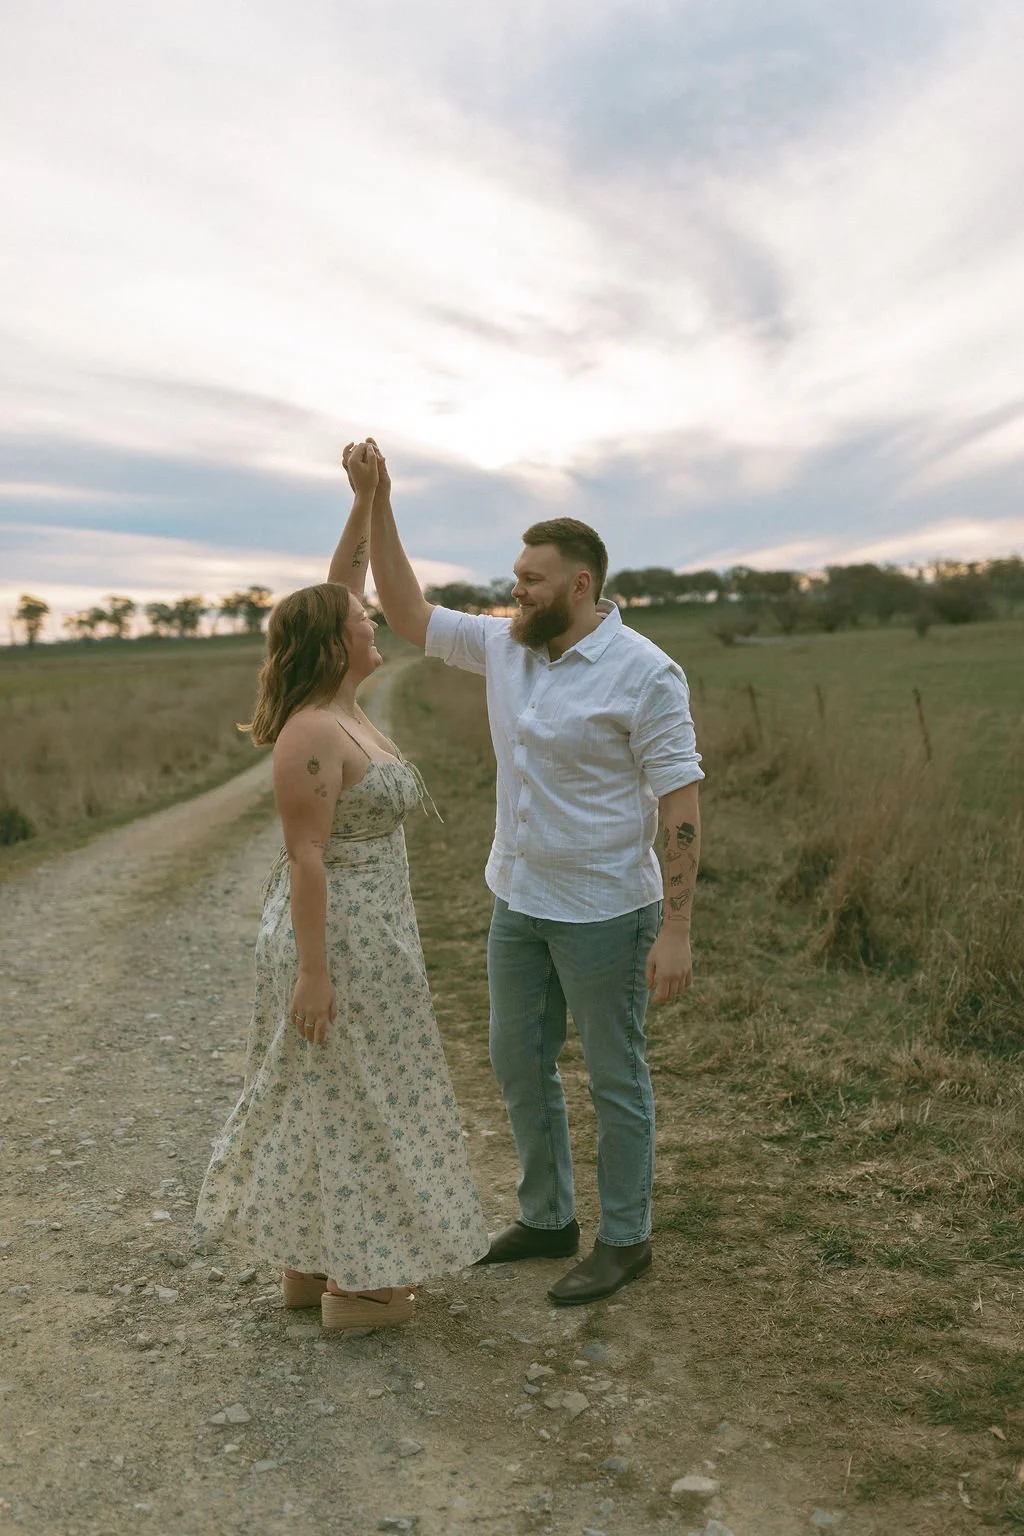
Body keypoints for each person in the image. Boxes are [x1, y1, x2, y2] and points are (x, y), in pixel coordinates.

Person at [353, 437, 703, 1306]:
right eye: (516, 576)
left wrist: (678, 929)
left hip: (606, 911)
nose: (518, 590)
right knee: (518, 1061)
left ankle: (626, 1238)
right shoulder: (506, 646)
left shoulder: (645, 673)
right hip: (518, 898)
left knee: (616, 1075)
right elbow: (404, 610)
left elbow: (681, 804)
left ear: (580, 585)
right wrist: (380, 499)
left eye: (533, 579)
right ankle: (548, 1218)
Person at [192, 443, 489, 1330]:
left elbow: (341, 583)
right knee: (361, 1094)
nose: (374, 626)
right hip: (340, 938)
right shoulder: (313, 732)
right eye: (361, 623)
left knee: (332, 1089)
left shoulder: (343, 707)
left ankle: (313, 1261)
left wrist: (369, 499)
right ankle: (361, 1290)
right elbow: (308, 857)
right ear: (335, 645)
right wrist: (315, 974)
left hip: (371, 929)